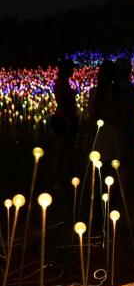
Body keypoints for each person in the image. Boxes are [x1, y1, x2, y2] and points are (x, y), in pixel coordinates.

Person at [51, 57, 79, 190]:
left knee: (69, 149)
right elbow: (62, 104)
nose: (73, 70)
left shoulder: (65, 83)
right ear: (66, 69)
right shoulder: (61, 84)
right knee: (61, 149)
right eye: (71, 68)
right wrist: (68, 121)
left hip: (68, 119)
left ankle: (68, 177)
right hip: (63, 120)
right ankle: (57, 180)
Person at [87, 59, 122, 163]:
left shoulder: (95, 92)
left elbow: (91, 112)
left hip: (100, 131)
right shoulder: (118, 92)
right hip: (115, 130)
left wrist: (88, 132)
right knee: (115, 163)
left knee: (99, 163)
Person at [115, 57, 134, 162]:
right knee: (124, 158)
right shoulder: (129, 88)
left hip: (115, 125)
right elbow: (130, 108)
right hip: (125, 126)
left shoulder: (112, 87)